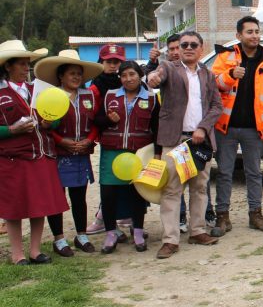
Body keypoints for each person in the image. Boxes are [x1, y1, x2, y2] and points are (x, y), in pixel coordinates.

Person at [146, 31, 224, 259]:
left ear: (201, 48)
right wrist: (152, 78)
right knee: (172, 190)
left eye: (193, 44)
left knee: (200, 189)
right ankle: (170, 240)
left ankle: (198, 231)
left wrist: (203, 128)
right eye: (184, 45)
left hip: (200, 141)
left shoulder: (208, 75)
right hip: (174, 140)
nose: (188, 48)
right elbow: (155, 77)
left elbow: (216, 107)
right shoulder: (169, 68)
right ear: (178, 49)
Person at [211, 16, 263, 234]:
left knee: (254, 172)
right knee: (224, 172)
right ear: (238, 35)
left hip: (255, 128)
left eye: (256, 31)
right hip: (226, 126)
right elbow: (213, 85)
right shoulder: (225, 57)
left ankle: (255, 214)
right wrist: (231, 75)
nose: (254, 35)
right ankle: (222, 216)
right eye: (249, 32)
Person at [0, 40, 66, 265]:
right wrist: (11, 130)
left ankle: (35, 250)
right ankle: (17, 254)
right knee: (15, 207)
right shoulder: (0, 93)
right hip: (14, 158)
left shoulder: (37, 90)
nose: (25, 68)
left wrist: (50, 123)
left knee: (40, 204)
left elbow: (55, 118)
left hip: (41, 155)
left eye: (27, 64)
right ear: (8, 66)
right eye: (20, 64)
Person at [35, 50, 103, 256]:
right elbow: (45, 125)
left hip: (81, 153)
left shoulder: (88, 95)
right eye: (72, 73)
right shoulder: (50, 96)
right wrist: (62, 141)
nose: (76, 77)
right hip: (57, 154)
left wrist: (89, 140)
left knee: (79, 196)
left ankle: (81, 235)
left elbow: (96, 123)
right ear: (61, 76)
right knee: (56, 196)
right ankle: (59, 239)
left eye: (79, 74)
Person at [95, 60, 158, 253]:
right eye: (123, 75)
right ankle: (111, 233)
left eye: (132, 74)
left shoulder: (152, 98)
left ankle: (138, 231)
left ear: (140, 75)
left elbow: (156, 128)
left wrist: (157, 153)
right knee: (108, 194)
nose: (128, 79)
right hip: (111, 152)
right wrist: (107, 119)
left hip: (137, 153)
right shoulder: (109, 96)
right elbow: (95, 120)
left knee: (136, 193)